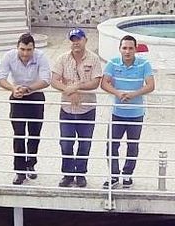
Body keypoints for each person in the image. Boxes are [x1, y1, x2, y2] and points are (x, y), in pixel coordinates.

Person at [100, 33, 156, 189]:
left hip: (136, 113)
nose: (127, 51)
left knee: (132, 146)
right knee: (112, 145)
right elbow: (104, 83)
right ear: (119, 49)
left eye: (131, 48)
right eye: (124, 48)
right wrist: (117, 93)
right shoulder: (113, 62)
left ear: (136, 49)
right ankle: (113, 175)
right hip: (117, 112)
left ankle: (127, 175)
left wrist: (134, 94)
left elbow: (151, 85)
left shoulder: (144, 64)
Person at [51, 26, 102, 187]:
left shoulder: (93, 59)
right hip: (67, 108)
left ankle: (80, 173)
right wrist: (69, 90)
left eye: (79, 39)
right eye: (73, 40)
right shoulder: (62, 59)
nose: (76, 43)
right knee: (66, 142)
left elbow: (95, 82)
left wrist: (76, 87)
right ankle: (67, 173)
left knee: (84, 142)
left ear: (85, 40)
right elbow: (54, 80)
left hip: (87, 108)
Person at [0, 32, 50, 184]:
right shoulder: (9, 56)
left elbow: (46, 80)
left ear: (34, 49)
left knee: (34, 133)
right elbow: (0, 78)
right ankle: (19, 170)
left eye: (29, 50)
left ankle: (31, 164)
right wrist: (13, 89)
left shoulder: (41, 56)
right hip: (17, 95)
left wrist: (28, 89)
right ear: (17, 48)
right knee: (19, 134)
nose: (25, 53)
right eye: (22, 49)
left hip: (35, 94)